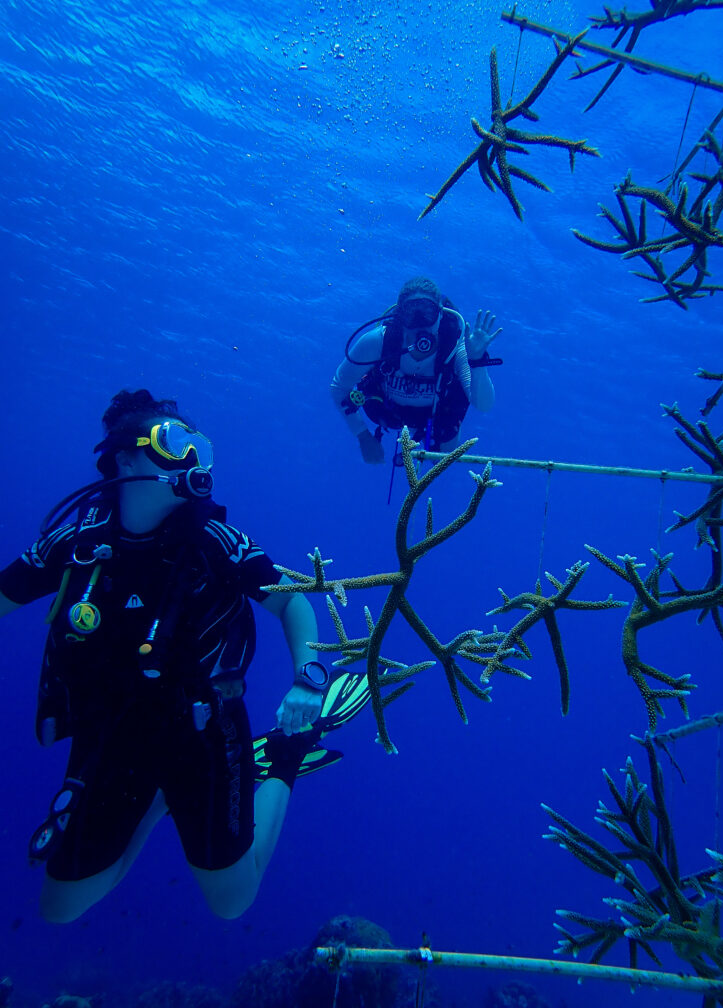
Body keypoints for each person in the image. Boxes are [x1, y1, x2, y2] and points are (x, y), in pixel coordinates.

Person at [0, 389, 369, 923]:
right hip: (111, 732)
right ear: (124, 457)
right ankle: (157, 801)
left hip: (204, 731)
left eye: (199, 446)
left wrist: (309, 681)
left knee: (231, 902)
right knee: (59, 907)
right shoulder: (75, 541)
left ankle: (284, 757)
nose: (192, 458)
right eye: (174, 443)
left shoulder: (214, 540)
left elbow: (293, 602)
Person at [331, 276, 501, 464]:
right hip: (389, 412)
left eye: (427, 312)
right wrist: (362, 436)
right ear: (400, 317)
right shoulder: (377, 342)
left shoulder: (456, 347)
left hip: (437, 414)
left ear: (440, 314)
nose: (421, 323)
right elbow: (339, 386)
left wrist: (476, 361)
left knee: (444, 459)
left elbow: (484, 405)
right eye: (412, 313)